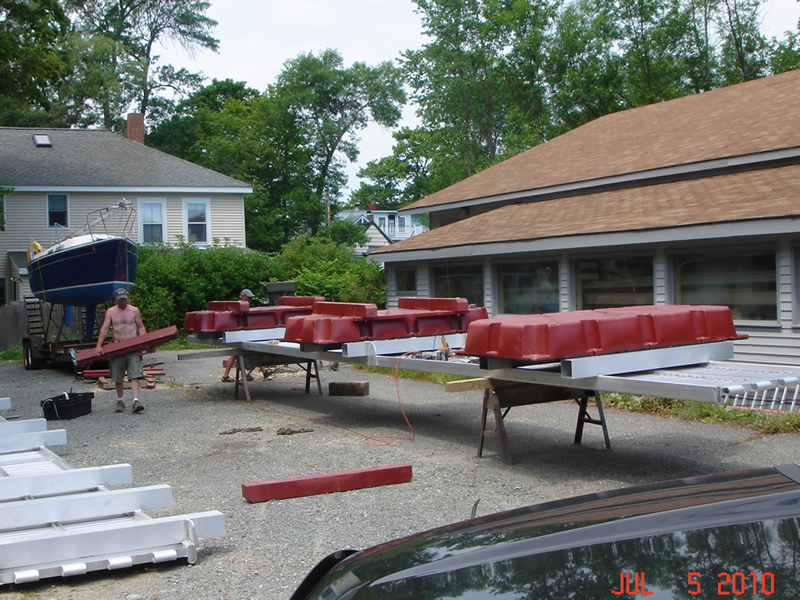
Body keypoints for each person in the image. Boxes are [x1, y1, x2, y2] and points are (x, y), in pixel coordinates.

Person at [95, 287, 147, 413]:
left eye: (124, 299)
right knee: (117, 376)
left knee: (134, 374)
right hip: (117, 347)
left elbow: (140, 327)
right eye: (120, 300)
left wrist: (143, 342)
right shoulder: (111, 312)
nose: (122, 302)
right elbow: (105, 328)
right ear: (116, 300)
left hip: (132, 346)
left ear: (127, 298)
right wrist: (99, 345)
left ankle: (135, 400)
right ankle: (120, 400)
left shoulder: (134, 310)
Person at [221, 289, 266, 382]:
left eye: (250, 298)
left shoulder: (242, 306)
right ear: (243, 297)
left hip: (240, 332)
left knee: (242, 353)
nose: (250, 300)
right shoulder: (238, 306)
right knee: (238, 353)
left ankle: (255, 373)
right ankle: (226, 376)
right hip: (237, 333)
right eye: (248, 298)